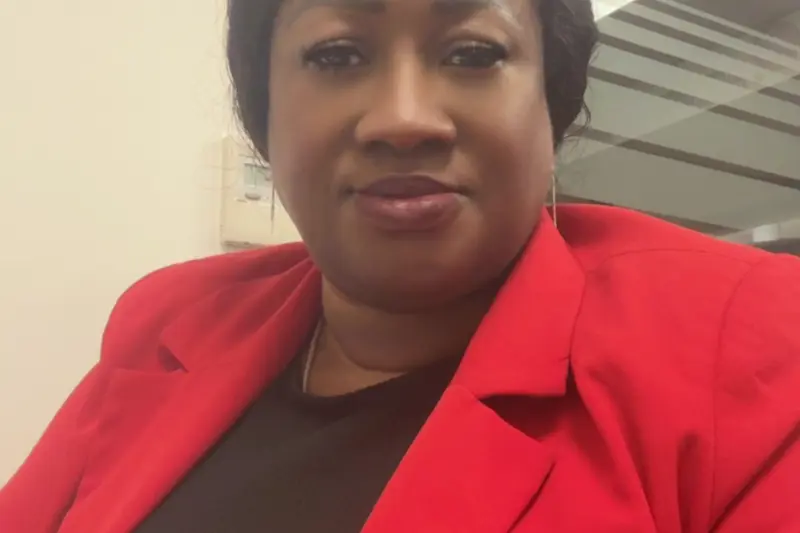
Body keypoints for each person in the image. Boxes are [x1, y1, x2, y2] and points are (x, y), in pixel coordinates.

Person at [2, 0, 799, 531]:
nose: (404, 119)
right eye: (337, 54)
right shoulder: (168, 320)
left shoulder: (748, 347)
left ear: (550, 108)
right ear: (264, 115)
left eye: (474, 52)